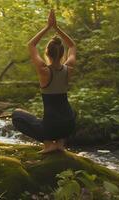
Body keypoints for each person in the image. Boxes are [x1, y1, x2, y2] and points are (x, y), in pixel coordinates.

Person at [12, 9, 76, 153]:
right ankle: (60, 143)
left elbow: (31, 45)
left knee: (17, 115)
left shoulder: (44, 71)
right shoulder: (69, 68)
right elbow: (72, 46)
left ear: (46, 52)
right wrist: (57, 28)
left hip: (50, 129)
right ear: (62, 54)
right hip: (68, 126)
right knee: (71, 112)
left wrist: (48, 27)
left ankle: (49, 144)